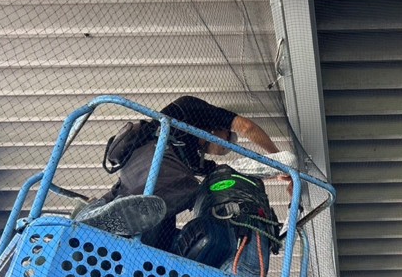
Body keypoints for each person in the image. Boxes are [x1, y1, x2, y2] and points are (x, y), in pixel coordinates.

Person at [76, 95, 292, 251]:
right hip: (155, 158)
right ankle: (101, 225)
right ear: (219, 129)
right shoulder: (190, 110)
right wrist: (277, 159)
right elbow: (245, 127)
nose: (226, 148)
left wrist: (275, 172)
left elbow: (232, 172)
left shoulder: (196, 161)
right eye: (228, 140)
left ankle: (90, 224)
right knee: (182, 193)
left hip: (134, 175)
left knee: (150, 226)